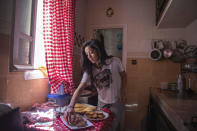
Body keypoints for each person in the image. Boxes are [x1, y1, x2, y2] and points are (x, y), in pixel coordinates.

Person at [64, 39, 126, 131]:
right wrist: (70, 107)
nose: (89, 57)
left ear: (99, 50)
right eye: (87, 55)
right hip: (102, 103)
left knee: (112, 127)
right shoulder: (89, 70)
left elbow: (124, 76)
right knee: (102, 127)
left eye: (91, 52)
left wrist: (123, 91)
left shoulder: (115, 61)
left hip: (117, 101)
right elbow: (80, 88)